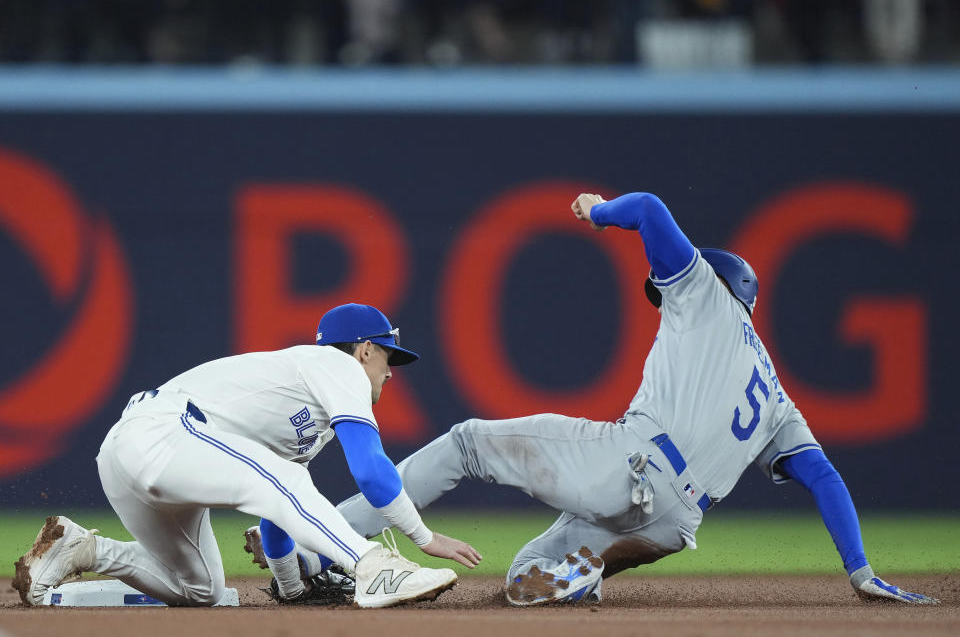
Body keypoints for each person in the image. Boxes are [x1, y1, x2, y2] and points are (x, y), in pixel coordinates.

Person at [331, 192, 939, 606]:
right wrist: (859, 568)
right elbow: (825, 478)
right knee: (523, 580)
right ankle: (580, 577)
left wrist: (598, 212)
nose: (665, 294)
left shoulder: (708, 293)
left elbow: (647, 208)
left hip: (631, 462)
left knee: (465, 444)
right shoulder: (777, 395)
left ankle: (330, 542)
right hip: (673, 524)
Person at [12, 303, 481, 609]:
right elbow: (371, 472)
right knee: (286, 483)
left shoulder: (304, 405)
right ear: (362, 350)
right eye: (387, 357)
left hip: (131, 453)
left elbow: (281, 512)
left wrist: (292, 586)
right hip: (163, 433)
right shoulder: (336, 366)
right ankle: (376, 569)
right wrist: (421, 537)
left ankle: (85, 548)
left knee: (200, 591)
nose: (391, 372)